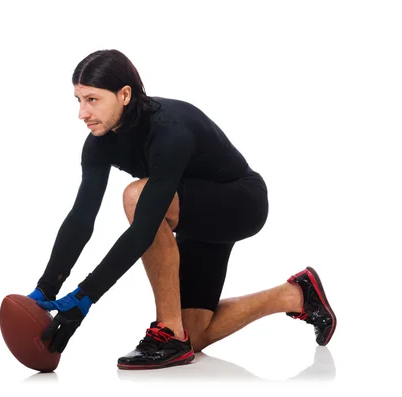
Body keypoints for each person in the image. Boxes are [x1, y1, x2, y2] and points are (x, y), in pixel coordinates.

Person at [25, 49, 337, 370]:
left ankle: (169, 332)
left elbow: (144, 228)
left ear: (124, 94)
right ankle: (296, 294)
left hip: (240, 203)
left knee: (137, 196)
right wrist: (45, 288)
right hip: (193, 215)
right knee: (197, 335)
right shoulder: (99, 142)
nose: (82, 112)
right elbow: (81, 218)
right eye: (78, 99)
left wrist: (85, 296)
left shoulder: (169, 129)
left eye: (92, 99)